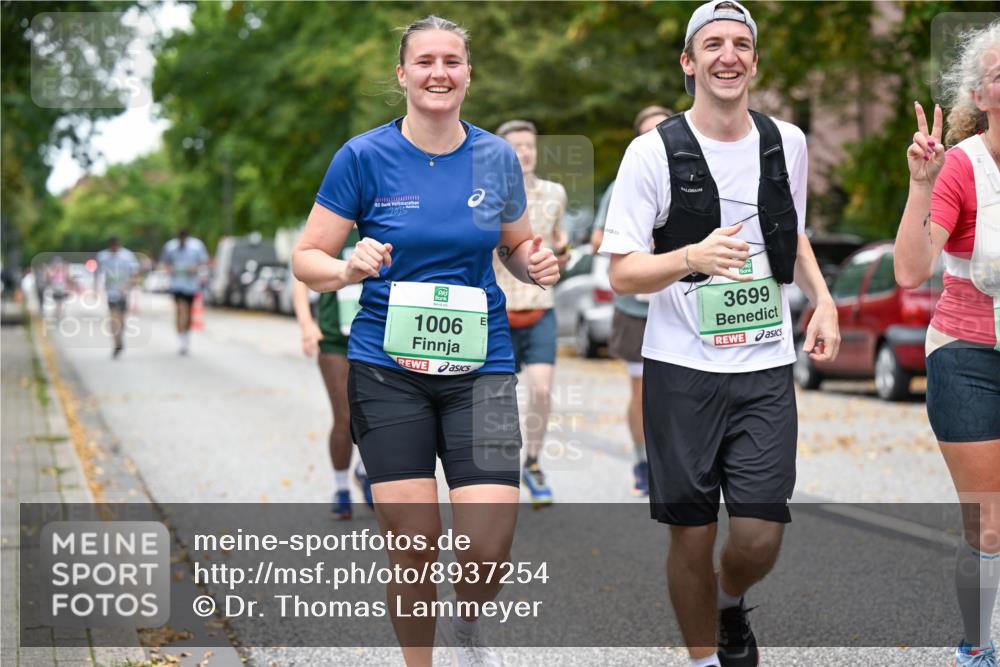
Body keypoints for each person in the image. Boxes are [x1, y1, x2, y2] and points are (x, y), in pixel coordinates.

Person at [292, 16, 559, 667]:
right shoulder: (363, 156)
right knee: (414, 543)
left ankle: (467, 626)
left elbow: (516, 244)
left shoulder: (496, 156)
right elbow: (306, 258)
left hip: (485, 366)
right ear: (403, 74)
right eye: (425, 61)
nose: (439, 72)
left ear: (468, 72)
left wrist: (533, 262)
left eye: (452, 61)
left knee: (490, 545)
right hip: (388, 369)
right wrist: (347, 268)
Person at [600, 2, 840, 666]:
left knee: (760, 533)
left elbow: (789, 234)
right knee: (691, 536)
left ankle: (730, 599)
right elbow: (621, 272)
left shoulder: (786, 142)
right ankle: (704, 658)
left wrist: (823, 301)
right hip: (680, 372)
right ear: (689, 61)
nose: (727, 55)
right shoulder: (652, 152)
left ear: (754, 60)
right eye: (712, 44)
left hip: (765, 368)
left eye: (741, 43)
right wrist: (689, 258)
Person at [894, 19, 1000, 667]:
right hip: (966, 354)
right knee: (989, 520)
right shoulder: (961, 166)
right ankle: (978, 644)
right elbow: (910, 270)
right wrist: (921, 182)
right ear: (983, 95)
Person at [590, 104, 672, 496]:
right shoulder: (626, 180)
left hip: (683, 303)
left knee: (680, 390)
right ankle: (642, 463)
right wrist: (641, 245)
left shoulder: (696, 172)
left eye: (663, 130)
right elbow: (596, 239)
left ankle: (676, 463)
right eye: (648, 132)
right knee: (641, 392)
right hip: (637, 308)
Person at [492, 119, 569, 507]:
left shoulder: (555, 193)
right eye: (516, 147)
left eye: (529, 146)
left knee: (540, 389)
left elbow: (559, 241)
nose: (524, 153)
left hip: (541, 308)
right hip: (500, 311)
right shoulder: (488, 194)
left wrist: (563, 253)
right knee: (499, 398)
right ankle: (498, 474)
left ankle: (534, 463)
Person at [291, 272, 373, 519]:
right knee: (345, 416)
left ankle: (365, 470)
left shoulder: (390, 231)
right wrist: (307, 325)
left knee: (380, 416)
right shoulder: (332, 232)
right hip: (335, 340)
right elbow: (300, 278)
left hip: (378, 339)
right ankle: (341, 489)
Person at [159, 229, 209, 355]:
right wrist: (169, 269)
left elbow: (204, 261)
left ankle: (186, 336)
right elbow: (165, 263)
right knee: (181, 310)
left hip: (191, 285)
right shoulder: (170, 247)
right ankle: (181, 338)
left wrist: (195, 268)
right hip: (176, 285)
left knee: (188, 313)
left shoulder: (196, 246)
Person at [95, 236, 140, 358]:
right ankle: (116, 343)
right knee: (113, 318)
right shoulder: (103, 256)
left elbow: (135, 274)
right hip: (111, 293)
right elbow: (98, 273)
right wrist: (96, 289)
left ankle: (120, 338)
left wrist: (126, 287)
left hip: (124, 293)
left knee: (122, 319)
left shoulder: (128, 256)